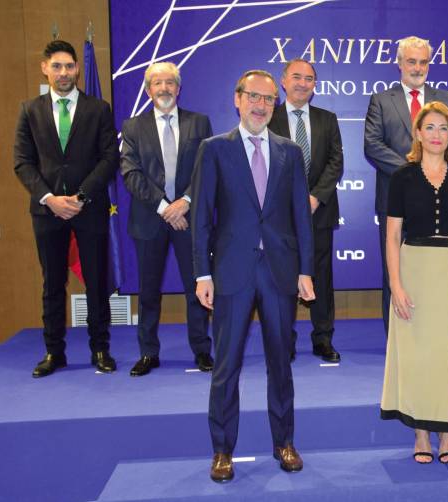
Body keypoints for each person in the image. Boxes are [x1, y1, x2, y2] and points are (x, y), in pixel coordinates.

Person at [191, 70, 315, 482]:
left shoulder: (290, 152)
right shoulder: (213, 150)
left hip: (279, 272)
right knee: (226, 364)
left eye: (268, 99)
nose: (261, 105)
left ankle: (284, 443)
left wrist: (305, 270)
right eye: (254, 97)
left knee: (281, 362)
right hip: (231, 272)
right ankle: (222, 449)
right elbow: (201, 220)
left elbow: (301, 217)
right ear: (237, 99)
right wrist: (202, 274)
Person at [380, 102, 448, 465]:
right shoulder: (402, 177)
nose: (437, 134)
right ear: (418, 134)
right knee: (419, 354)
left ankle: (447, 433)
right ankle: (421, 433)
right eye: (430, 127)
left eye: (444, 128)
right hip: (414, 272)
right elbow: (393, 235)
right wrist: (396, 284)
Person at [14, 40, 119, 378]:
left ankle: (100, 348)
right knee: (52, 284)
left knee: (96, 284)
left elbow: (109, 158)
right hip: (47, 212)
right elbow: (22, 162)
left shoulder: (98, 109)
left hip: (89, 209)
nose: (63, 73)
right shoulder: (29, 110)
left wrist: (81, 197)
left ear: (77, 69)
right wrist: (50, 199)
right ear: (45, 68)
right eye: (56, 66)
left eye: (69, 66)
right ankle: (53, 352)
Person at [364, 35, 448, 335]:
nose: (417, 67)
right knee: (392, 271)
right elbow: (372, 145)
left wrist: (429, 173)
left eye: (423, 62)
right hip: (394, 199)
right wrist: (414, 171)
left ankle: (434, 333)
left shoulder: (445, 99)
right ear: (399, 64)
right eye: (411, 61)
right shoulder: (381, 100)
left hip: (438, 201)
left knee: (436, 270)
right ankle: (394, 338)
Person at [120, 62, 214, 376]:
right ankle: (148, 353)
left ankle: (202, 350)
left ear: (178, 87)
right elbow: (131, 174)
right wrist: (165, 208)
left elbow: (206, 168)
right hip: (150, 219)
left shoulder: (199, 123)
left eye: (170, 82)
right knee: (148, 292)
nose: (164, 88)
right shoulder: (133, 127)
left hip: (189, 218)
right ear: (149, 90)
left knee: (197, 289)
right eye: (158, 83)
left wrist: (185, 202)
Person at [269, 58, 344, 363]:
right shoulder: (268, 118)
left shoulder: (328, 118)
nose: (303, 83)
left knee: (322, 277)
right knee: (282, 278)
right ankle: (284, 339)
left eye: (309, 78)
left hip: (319, 210)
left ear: (315, 85)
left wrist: (314, 198)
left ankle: (323, 338)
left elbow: (335, 163)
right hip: (278, 214)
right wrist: (291, 202)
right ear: (283, 81)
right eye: (296, 77)